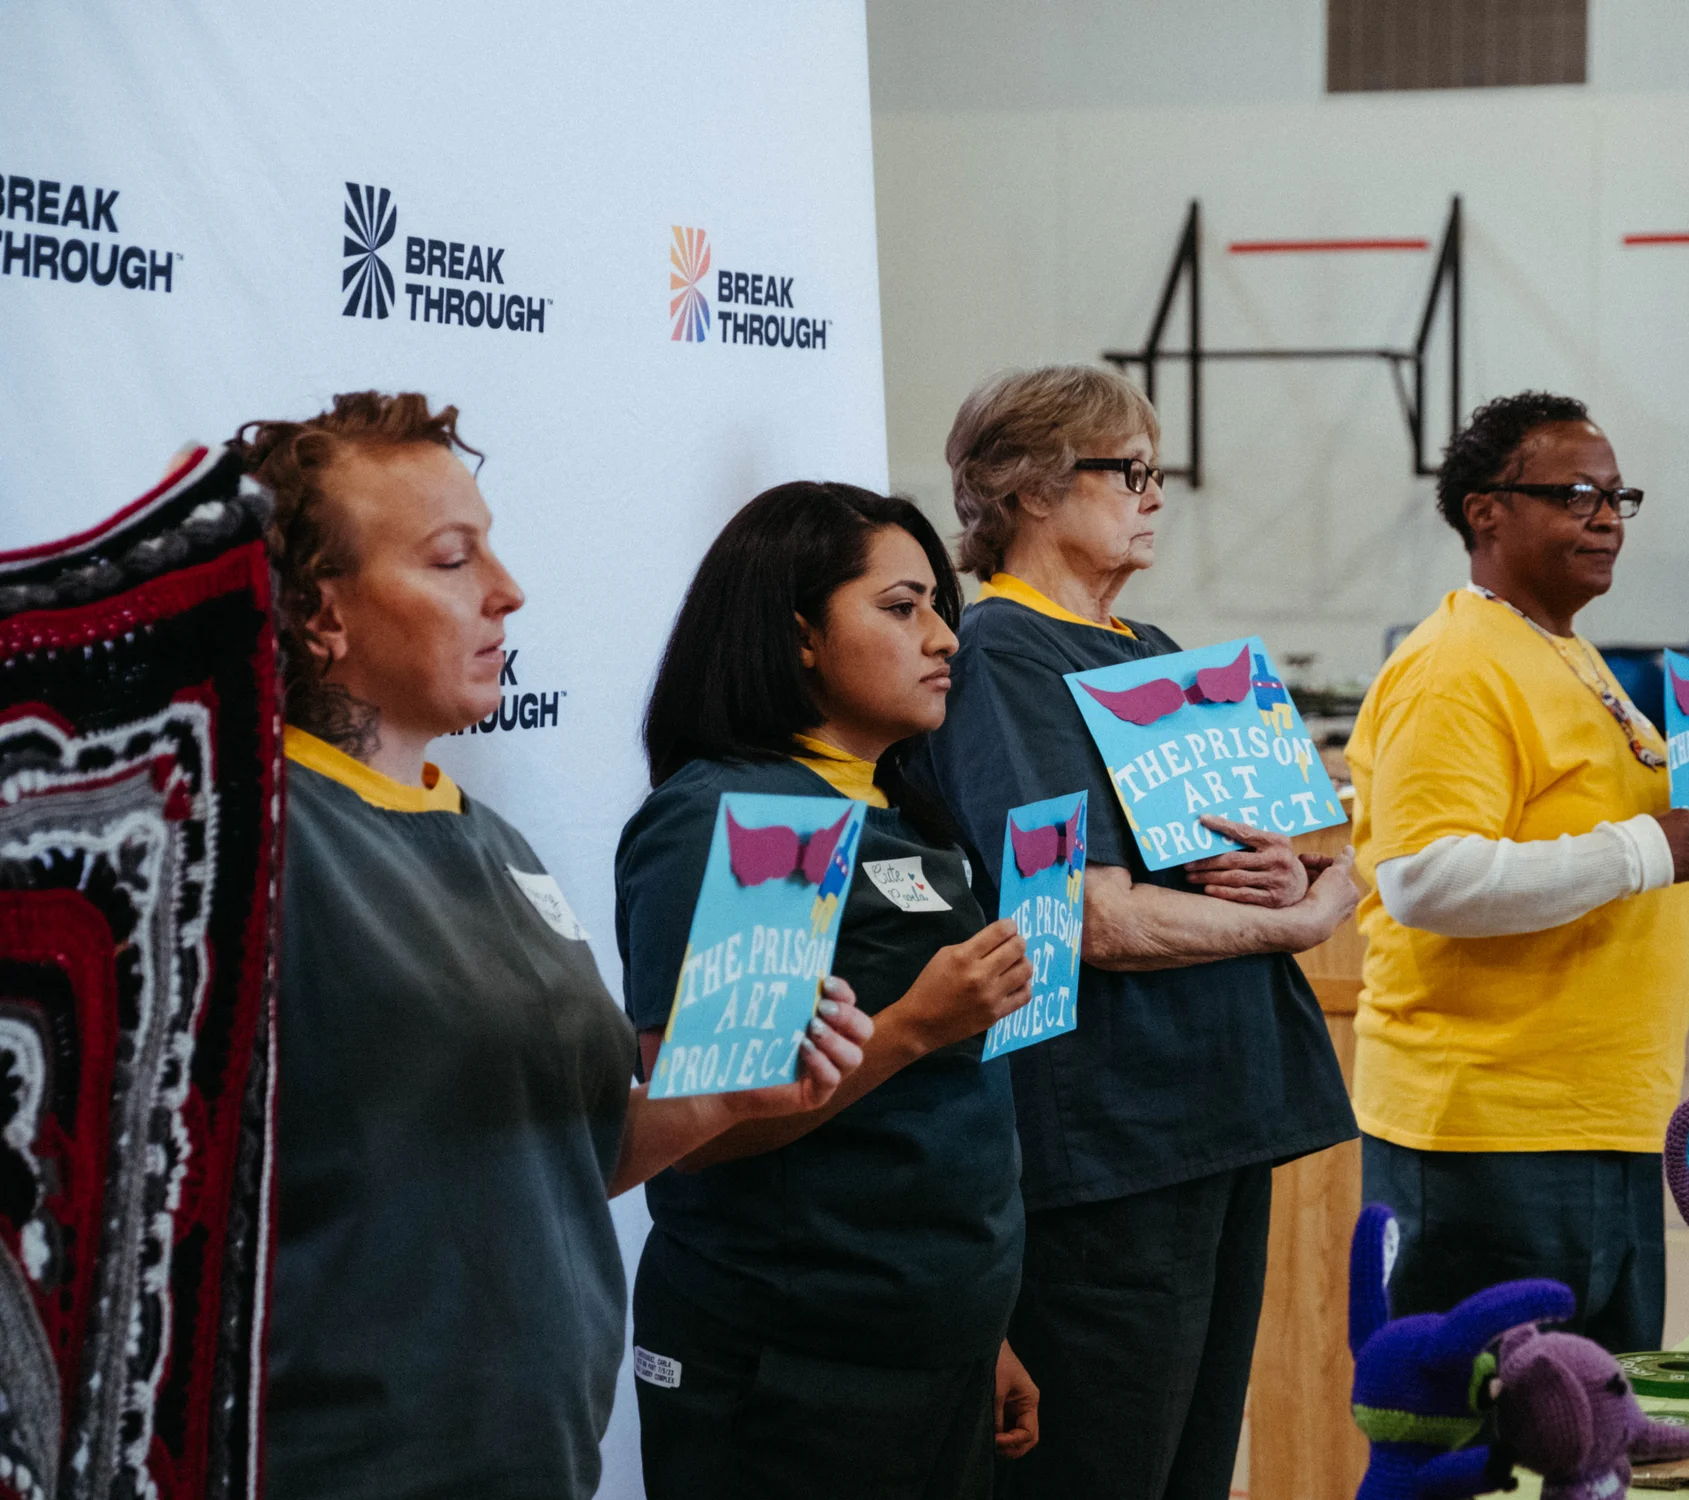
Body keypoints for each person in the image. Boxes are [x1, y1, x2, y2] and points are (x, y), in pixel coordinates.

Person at [239, 392, 872, 1500]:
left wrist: (726, 1093)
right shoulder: (260, 842)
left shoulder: (497, 843)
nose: (507, 590)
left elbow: (565, 1162)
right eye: (450, 560)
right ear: (317, 612)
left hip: (535, 1460)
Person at [913, 365, 1361, 1500]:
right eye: (1129, 472)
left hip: (1212, 1119)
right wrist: (1288, 923)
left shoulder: (1149, 645)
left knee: (1194, 1462)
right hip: (1115, 1141)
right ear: (1027, 488)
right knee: (1111, 1462)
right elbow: (1080, 913)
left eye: (1161, 472)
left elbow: (1290, 854)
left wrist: (1301, 875)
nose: (1157, 495)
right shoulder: (1003, 657)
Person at [616, 480, 1043, 1500]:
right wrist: (911, 1026)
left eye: (940, 604)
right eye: (902, 608)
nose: (944, 638)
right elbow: (704, 1128)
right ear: (799, 634)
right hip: (794, 1356)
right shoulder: (745, 817)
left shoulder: (905, 806)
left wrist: (979, 1332)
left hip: (928, 1342)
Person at [1346, 390, 1689, 1352]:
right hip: (1490, 1133)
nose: (1605, 516)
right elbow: (1426, 878)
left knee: (1589, 1444)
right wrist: (1641, 849)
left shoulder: (1567, 654)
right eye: (1575, 493)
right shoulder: (1457, 664)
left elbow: (1605, 844)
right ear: (1484, 511)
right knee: (1478, 1451)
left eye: (1618, 495)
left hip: (1600, 1116)